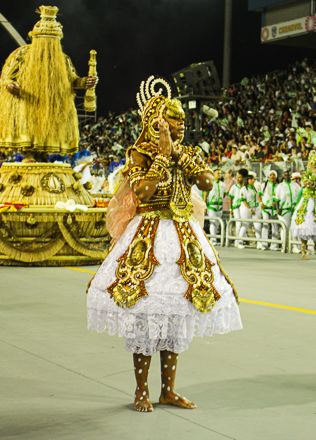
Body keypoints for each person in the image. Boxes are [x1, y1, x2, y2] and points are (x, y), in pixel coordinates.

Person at [86, 83, 242, 413]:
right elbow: (142, 192)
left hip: (184, 235)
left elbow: (207, 183)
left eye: (183, 120)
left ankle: (168, 391)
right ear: (158, 122)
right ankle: (141, 390)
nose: (182, 125)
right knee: (146, 314)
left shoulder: (187, 152)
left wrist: (179, 157)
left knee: (174, 318)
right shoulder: (140, 153)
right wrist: (161, 157)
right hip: (149, 236)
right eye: (175, 120)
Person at [0, 6, 98, 157]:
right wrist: (9, 84)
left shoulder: (63, 59)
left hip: (50, 105)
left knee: (47, 130)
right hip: (27, 103)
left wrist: (85, 82)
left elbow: (72, 80)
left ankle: (43, 155)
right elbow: (6, 76)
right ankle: (27, 155)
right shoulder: (21, 54)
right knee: (28, 130)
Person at [276, 170, 302, 247]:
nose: (287, 176)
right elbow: (277, 199)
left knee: (294, 228)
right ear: (284, 176)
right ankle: (284, 245)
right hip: (284, 209)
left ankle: (294, 246)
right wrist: (278, 208)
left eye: (288, 175)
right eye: (286, 175)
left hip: (294, 209)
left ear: (291, 176)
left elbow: (300, 196)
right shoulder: (280, 186)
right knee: (285, 227)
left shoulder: (295, 185)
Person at [239, 173, 262, 250]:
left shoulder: (254, 188)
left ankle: (259, 242)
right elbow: (243, 200)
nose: (253, 180)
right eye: (252, 179)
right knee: (245, 225)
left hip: (255, 208)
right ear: (248, 180)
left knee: (257, 225)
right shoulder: (244, 189)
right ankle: (240, 242)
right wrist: (249, 209)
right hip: (246, 208)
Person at [203, 169, 226, 244]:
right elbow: (205, 195)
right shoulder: (210, 183)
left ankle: (215, 238)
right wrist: (204, 206)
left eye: (220, 173)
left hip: (220, 205)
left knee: (217, 223)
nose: (219, 174)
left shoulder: (223, 184)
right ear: (213, 174)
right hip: (211, 205)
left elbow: (224, 194)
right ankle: (213, 239)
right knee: (212, 222)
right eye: (218, 173)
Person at [260, 170, 280, 250]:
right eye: (271, 175)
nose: (272, 176)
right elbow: (259, 194)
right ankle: (264, 244)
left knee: (275, 226)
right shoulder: (264, 185)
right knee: (265, 226)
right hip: (266, 208)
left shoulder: (279, 186)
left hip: (275, 209)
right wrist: (261, 203)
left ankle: (274, 245)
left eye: (274, 175)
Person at [228, 169, 248, 248]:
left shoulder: (245, 187)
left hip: (243, 207)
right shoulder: (234, 187)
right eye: (237, 177)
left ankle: (241, 240)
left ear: (243, 178)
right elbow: (230, 199)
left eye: (240, 177)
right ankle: (237, 240)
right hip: (236, 207)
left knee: (243, 223)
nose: (238, 179)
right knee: (238, 223)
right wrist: (230, 209)